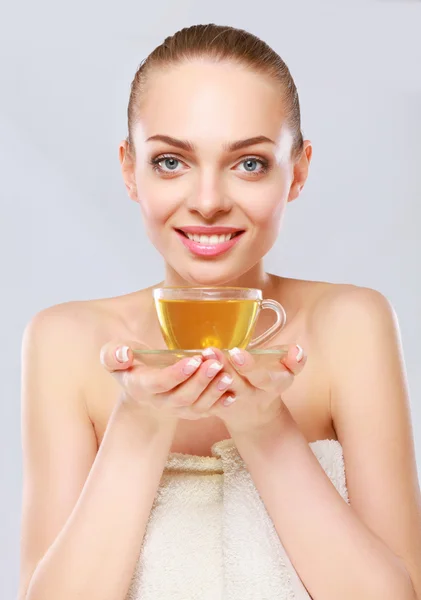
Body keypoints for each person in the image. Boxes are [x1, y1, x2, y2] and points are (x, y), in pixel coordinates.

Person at [18, 23, 421, 600]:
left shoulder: (351, 324)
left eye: (250, 163)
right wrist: (139, 425)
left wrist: (265, 428)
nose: (208, 202)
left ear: (298, 170)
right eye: (171, 162)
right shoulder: (66, 341)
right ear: (130, 169)